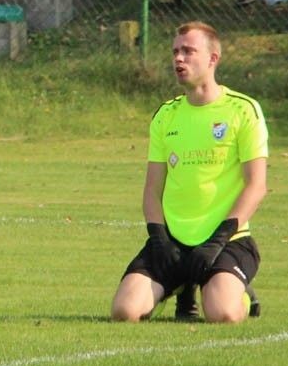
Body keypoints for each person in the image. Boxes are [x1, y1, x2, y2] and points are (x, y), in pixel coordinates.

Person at [110, 21, 267, 324]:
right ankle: (182, 284)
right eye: (175, 52)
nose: (178, 59)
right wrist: (159, 239)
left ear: (212, 59)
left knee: (222, 314)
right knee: (124, 312)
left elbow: (256, 186)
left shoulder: (243, 110)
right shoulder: (166, 115)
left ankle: (243, 295)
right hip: (173, 242)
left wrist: (217, 241)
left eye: (188, 51)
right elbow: (152, 189)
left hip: (226, 241)